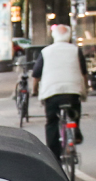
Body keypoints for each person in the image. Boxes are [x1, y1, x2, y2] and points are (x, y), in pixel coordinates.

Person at [30, 23, 89, 156]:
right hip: (72, 91)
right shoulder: (75, 50)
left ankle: (54, 156)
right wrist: (85, 89)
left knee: (52, 122)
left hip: (52, 92)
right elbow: (84, 72)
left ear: (54, 36)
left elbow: (36, 74)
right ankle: (75, 132)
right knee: (75, 111)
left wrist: (34, 90)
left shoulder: (46, 51)